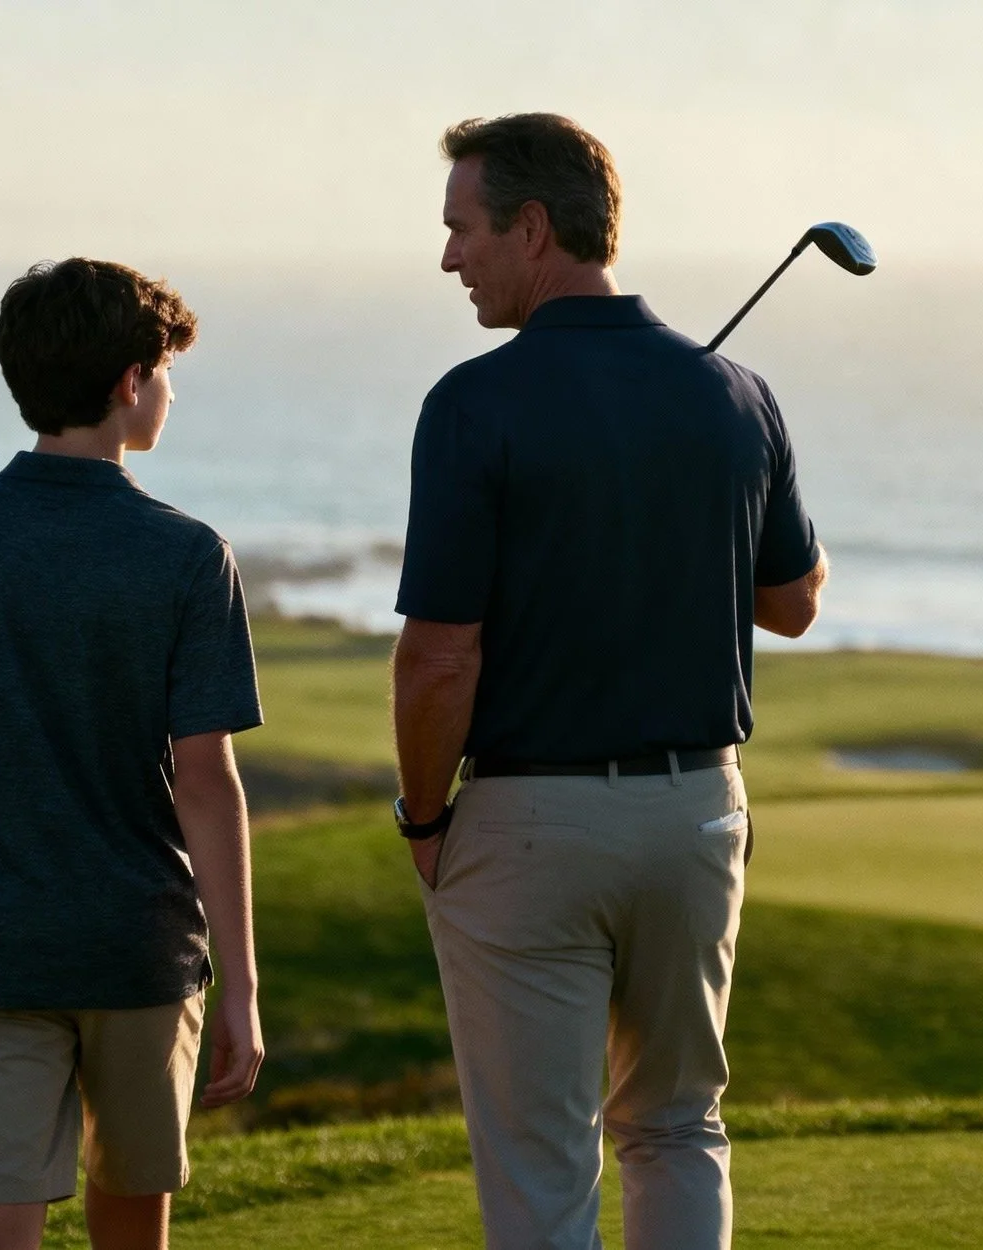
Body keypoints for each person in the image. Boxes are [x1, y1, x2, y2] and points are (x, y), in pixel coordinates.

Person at [389, 114, 829, 1250]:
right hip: (696, 812)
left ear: (532, 228)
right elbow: (796, 598)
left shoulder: (473, 402)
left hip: (532, 819)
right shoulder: (734, 393)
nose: (449, 257)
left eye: (461, 229)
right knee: (678, 1125)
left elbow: (440, 655)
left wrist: (425, 814)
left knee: (542, 1165)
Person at [0, 258, 267, 1250]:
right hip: (140, 947)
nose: (167, 390)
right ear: (130, 381)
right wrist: (244, 985)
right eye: (165, 371)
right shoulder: (185, 553)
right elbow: (206, 783)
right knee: (130, 1228)